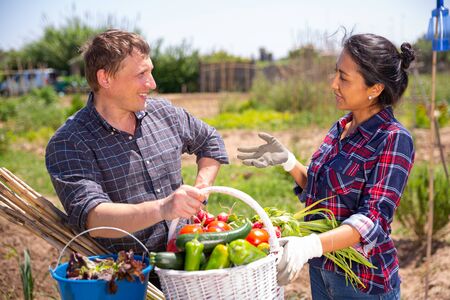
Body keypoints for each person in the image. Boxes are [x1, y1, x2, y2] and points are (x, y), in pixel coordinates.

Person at [237, 33, 415, 299]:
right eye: (336, 73)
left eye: (344, 77)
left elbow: (373, 219)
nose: (333, 84)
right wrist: (290, 162)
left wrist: (310, 245)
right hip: (323, 270)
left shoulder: (393, 138)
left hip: (362, 283)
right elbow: (323, 194)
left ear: (375, 88)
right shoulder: (343, 126)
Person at [45, 29, 228, 256]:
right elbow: (94, 217)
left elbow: (210, 140)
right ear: (105, 78)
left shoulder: (164, 113)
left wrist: (201, 189)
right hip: (130, 278)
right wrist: (163, 208)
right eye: (141, 74)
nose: (151, 83)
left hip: (187, 258)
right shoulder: (70, 142)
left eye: (150, 71)